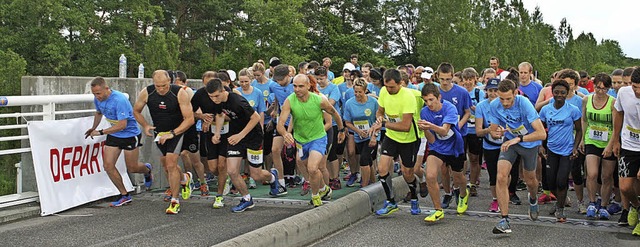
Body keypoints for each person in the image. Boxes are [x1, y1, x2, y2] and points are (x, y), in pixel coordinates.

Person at [206, 78, 281, 212]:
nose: (214, 99)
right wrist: (217, 133)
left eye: (216, 96)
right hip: (235, 137)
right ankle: (247, 198)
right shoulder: (217, 101)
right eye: (211, 97)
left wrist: (241, 135)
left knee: (256, 175)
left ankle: (272, 177)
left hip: (253, 137)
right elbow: (220, 115)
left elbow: (256, 118)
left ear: (223, 90)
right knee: (232, 171)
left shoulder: (237, 101)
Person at [133, 70, 195, 214]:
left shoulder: (179, 92)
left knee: (171, 163)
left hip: (176, 131)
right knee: (166, 165)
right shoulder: (147, 92)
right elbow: (136, 111)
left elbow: (190, 119)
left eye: (164, 86)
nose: (161, 89)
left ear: (170, 82)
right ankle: (185, 178)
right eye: (158, 86)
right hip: (159, 133)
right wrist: (146, 125)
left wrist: (172, 134)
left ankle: (175, 201)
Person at [278, 74, 345, 207]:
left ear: (308, 86)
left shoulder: (319, 99)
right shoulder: (290, 100)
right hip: (301, 141)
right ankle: (323, 189)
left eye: (301, 86)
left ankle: (315, 196)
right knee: (305, 166)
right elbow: (280, 123)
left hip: (318, 138)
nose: (297, 89)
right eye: (295, 86)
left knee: (313, 168)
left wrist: (342, 130)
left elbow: (334, 113)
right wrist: (285, 133)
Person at [489, 79, 546, 234]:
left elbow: (541, 133)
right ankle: (505, 219)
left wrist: (519, 139)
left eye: (508, 98)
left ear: (515, 93)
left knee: (530, 180)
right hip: (511, 142)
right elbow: (493, 131)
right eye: (502, 98)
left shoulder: (524, 103)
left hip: (528, 143)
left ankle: (533, 199)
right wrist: (498, 132)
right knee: (501, 176)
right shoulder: (495, 105)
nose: (505, 102)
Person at [85, 77, 153, 207]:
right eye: (94, 94)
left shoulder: (119, 100)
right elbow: (99, 113)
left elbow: (122, 125)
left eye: (98, 93)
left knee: (132, 168)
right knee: (108, 166)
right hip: (114, 135)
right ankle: (124, 195)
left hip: (129, 135)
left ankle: (147, 170)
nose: (97, 96)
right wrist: (93, 127)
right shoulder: (98, 98)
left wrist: (100, 132)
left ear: (106, 88)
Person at [367, 69, 421, 216]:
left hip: (408, 138)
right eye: (386, 86)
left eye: (392, 87)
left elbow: (405, 126)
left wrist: (383, 124)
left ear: (400, 84)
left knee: (407, 172)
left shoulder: (407, 96)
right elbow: (380, 111)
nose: (389, 89)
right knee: (382, 168)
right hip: (391, 136)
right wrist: (379, 119)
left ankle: (414, 196)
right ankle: (391, 201)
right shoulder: (384, 91)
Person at [419, 84, 468, 222]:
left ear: (439, 97)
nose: (429, 104)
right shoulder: (424, 112)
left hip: (454, 147)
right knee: (430, 175)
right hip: (438, 147)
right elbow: (432, 139)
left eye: (431, 100)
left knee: (458, 178)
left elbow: (445, 130)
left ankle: (464, 194)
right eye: (426, 100)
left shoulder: (449, 108)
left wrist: (430, 125)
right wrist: (425, 129)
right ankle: (438, 210)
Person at [539, 79, 582, 222]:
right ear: (552, 92)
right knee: (550, 182)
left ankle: (560, 209)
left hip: (567, 150)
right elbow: (540, 128)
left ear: (567, 93)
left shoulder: (573, 110)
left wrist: (575, 147)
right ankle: (561, 200)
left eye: (562, 92)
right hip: (551, 149)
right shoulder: (546, 110)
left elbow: (579, 130)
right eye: (556, 92)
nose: (559, 95)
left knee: (562, 181)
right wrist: (540, 145)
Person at [579, 73, 617, 220]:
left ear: (608, 88)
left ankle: (604, 205)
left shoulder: (613, 102)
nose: (600, 91)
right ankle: (592, 202)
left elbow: (616, 126)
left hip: (608, 140)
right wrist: (583, 139)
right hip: (592, 139)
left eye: (603, 89)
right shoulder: (586, 99)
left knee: (606, 176)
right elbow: (584, 120)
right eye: (597, 88)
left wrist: (611, 145)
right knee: (592, 174)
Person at [437, 63, 471, 209]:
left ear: (452, 77)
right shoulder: (435, 93)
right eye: (442, 79)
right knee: (443, 168)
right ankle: (447, 192)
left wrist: (460, 125)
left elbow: (467, 112)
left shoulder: (462, 92)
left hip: (458, 135)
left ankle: (459, 189)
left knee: (457, 170)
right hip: (441, 135)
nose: (445, 83)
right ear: (437, 77)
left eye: (448, 79)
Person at [612, 67, 640, 236]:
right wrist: (615, 140)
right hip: (629, 144)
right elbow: (619, 114)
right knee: (625, 187)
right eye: (634, 87)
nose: (637, 91)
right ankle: (636, 206)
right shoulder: (623, 92)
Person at [173, 71, 209, 196]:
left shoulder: (188, 92)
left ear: (183, 82)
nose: (175, 83)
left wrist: (199, 117)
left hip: (189, 129)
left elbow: (198, 113)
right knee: (180, 155)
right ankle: (189, 179)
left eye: (177, 81)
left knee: (195, 159)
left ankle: (203, 182)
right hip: (176, 128)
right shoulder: (168, 93)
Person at [344, 78, 378, 187]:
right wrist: (358, 131)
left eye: (360, 92)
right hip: (358, 136)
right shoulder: (349, 103)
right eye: (355, 92)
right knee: (368, 161)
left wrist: (372, 131)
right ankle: (373, 183)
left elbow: (379, 119)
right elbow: (347, 122)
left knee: (364, 159)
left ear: (365, 91)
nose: (357, 94)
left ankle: (364, 186)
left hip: (372, 136)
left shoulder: (373, 102)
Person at [475, 78, 503, 212]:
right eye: (490, 90)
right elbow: (478, 131)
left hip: (506, 144)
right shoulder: (481, 106)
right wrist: (490, 130)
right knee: (493, 174)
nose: (493, 93)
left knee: (504, 174)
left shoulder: (506, 104)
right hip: (490, 145)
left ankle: (504, 194)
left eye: (496, 90)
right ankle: (495, 199)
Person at [269, 64, 295, 196]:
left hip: (298, 122)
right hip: (282, 122)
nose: (279, 82)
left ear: (288, 75)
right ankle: (281, 183)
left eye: (281, 79)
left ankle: (307, 180)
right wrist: (274, 109)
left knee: (301, 155)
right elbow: (277, 97)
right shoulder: (274, 85)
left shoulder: (296, 85)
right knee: (275, 149)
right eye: (277, 80)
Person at [317, 66, 344, 190]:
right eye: (317, 79)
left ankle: (335, 177)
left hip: (332, 123)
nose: (319, 81)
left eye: (321, 79)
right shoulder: (316, 89)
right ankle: (326, 178)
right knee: (323, 154)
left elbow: (330, 104)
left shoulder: (334, 88)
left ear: (326, 77)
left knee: (332, 153)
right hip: (319, 123)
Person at [461, 67, 485, 196]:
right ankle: (461, 182)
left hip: (475, 129)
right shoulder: (460, 92)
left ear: (475, 79)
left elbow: (482, 110)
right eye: (466, 79)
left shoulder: (478, 93)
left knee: (474, 158)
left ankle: (473, 183)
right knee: (462, 157)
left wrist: (471, 107)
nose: (468, 82)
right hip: (463, 129)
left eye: (471, 79)